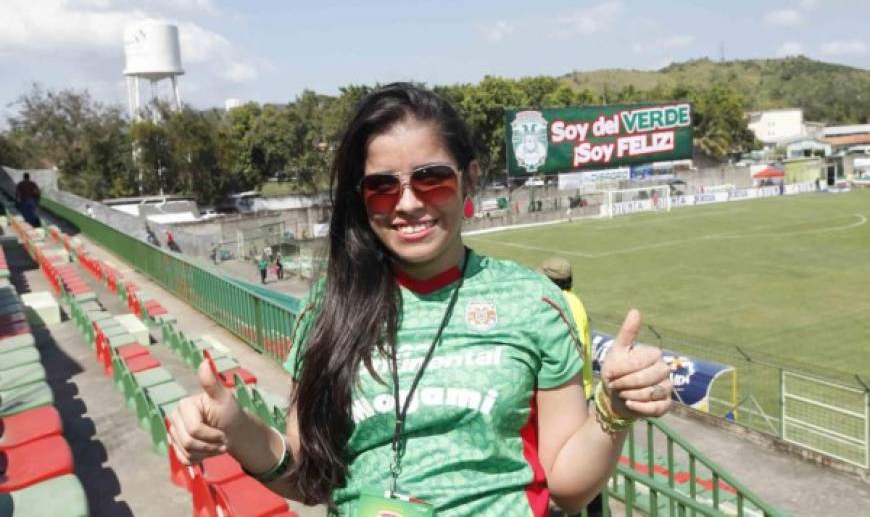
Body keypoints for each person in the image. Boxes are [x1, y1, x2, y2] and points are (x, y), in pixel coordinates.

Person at [167, 83, 671, 515]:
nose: (408, 203)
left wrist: (613, 410)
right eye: (383, 187)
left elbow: (567, 487)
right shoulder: (328, 309)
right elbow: (309, 478)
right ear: (361, 201)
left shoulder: (534, 303)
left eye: (432, 178)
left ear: (469, 180)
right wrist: (235, 428)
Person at [540, 257, 603, 517]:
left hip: (571, 392)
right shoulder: (574, 300)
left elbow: (569, 353)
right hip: (582, 389)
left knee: (566, 463)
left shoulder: (563, 305)